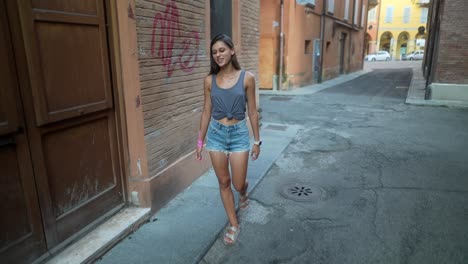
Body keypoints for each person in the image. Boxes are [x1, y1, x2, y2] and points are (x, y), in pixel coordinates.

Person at [196, 34, 261, 246]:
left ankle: (243, 190)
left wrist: (257, 142)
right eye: (214, 52)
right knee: (224, 182)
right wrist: (200, 141)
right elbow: (206, 111)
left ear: (232, 51)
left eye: (222, 50)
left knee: (237, 182)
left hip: (239, 134)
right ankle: (234, 224)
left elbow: (252, 111)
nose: (218, 55)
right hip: (216, 135)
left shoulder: (247, 78)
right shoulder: (209, 80)